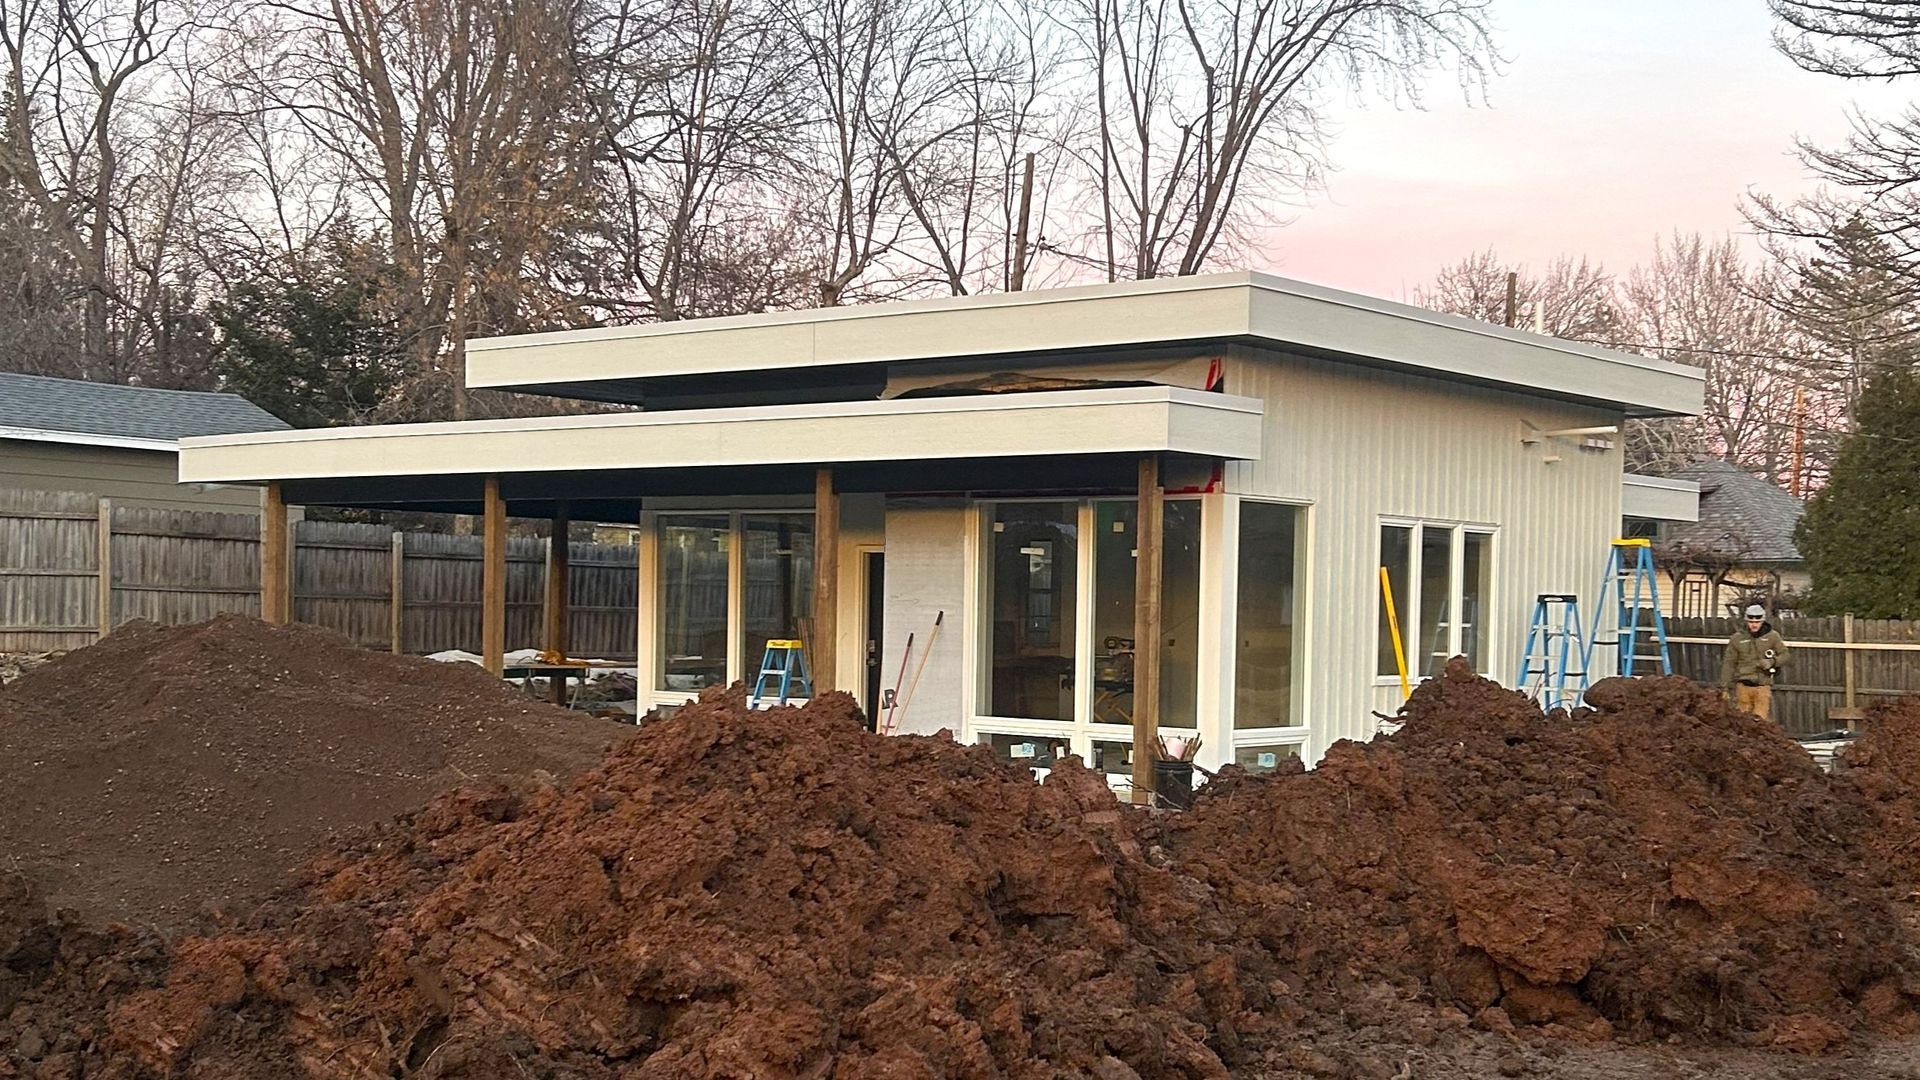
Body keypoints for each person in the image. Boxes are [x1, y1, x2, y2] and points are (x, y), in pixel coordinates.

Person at [1721, 603, 1788, 719]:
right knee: (1742, 719)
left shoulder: (1772, 636)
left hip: (1762, 685)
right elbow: (1729, 663)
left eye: (1757, 622)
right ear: (1747, 621)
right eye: (1751, 622)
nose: (1754, 625)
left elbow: (1785, 655)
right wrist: (1724, 686)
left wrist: (1772, 662)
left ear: (1762, 621)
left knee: (1760, 720)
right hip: (1743, 686)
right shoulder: (1737, 639)